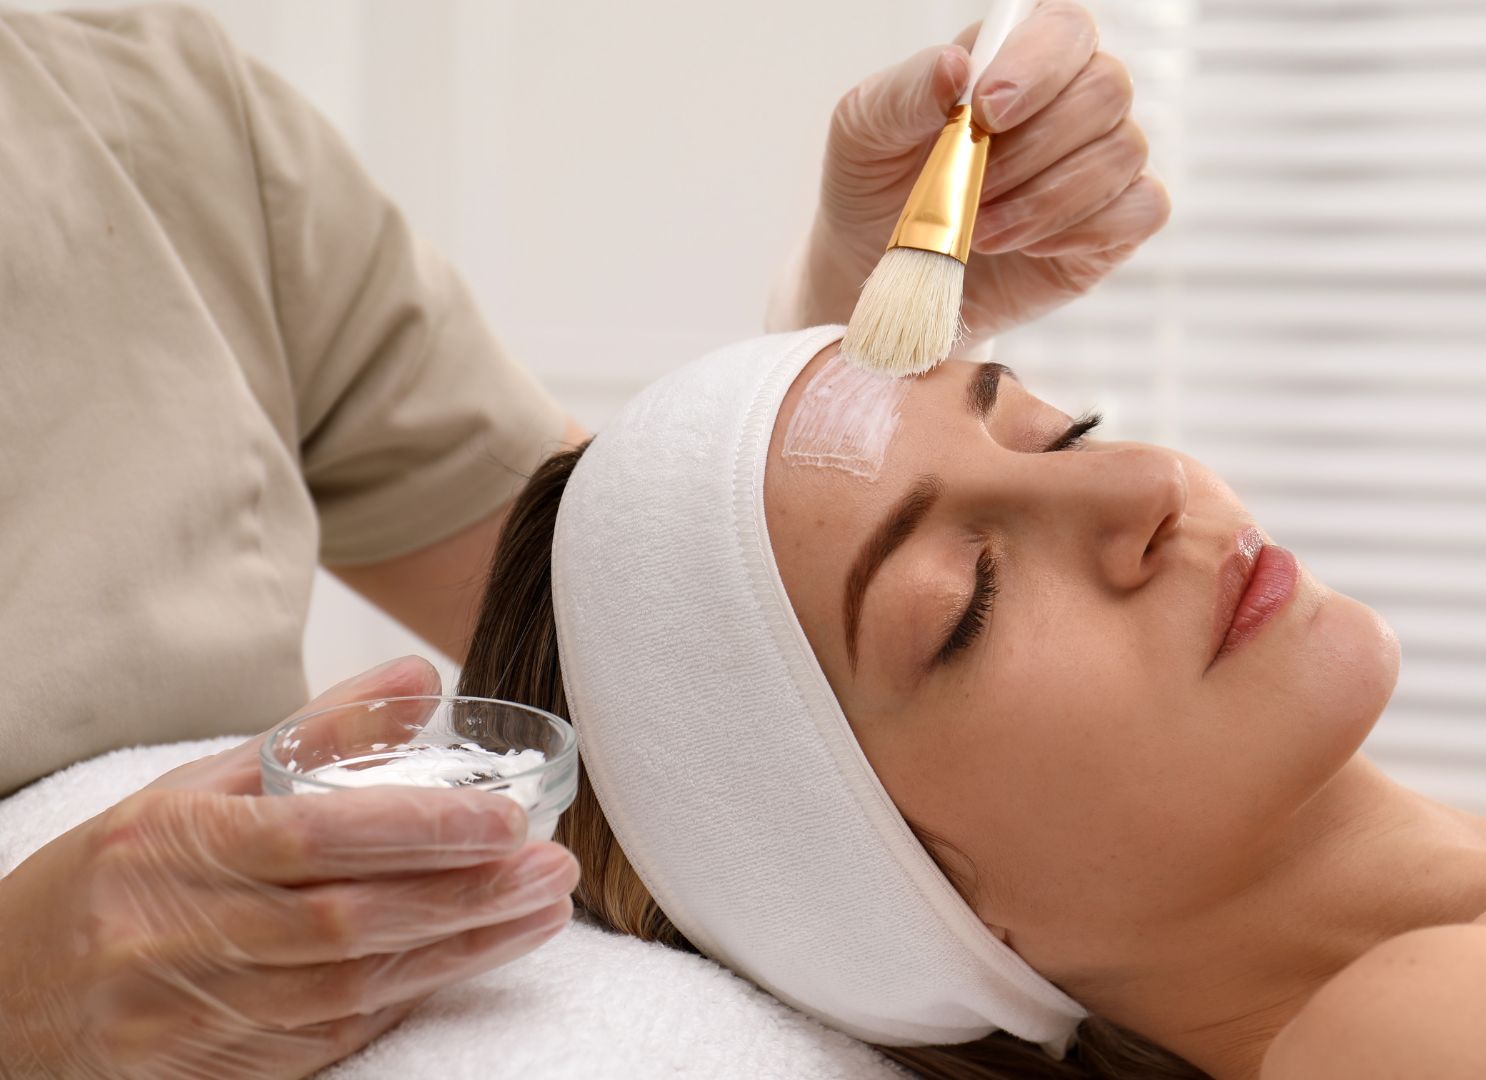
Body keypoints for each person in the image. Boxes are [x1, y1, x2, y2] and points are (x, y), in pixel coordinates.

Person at [0, 3, 1167, 1074]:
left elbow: (641, 664)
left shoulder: (143, 100)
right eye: (961, 605)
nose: (1163, 483)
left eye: (1068, 435)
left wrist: (832, 350)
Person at [452, 327, 1486, 1079]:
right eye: (966, 599)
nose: (1142, 486)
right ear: (914, 911)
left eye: (1055, 426)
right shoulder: (1422, 1035)